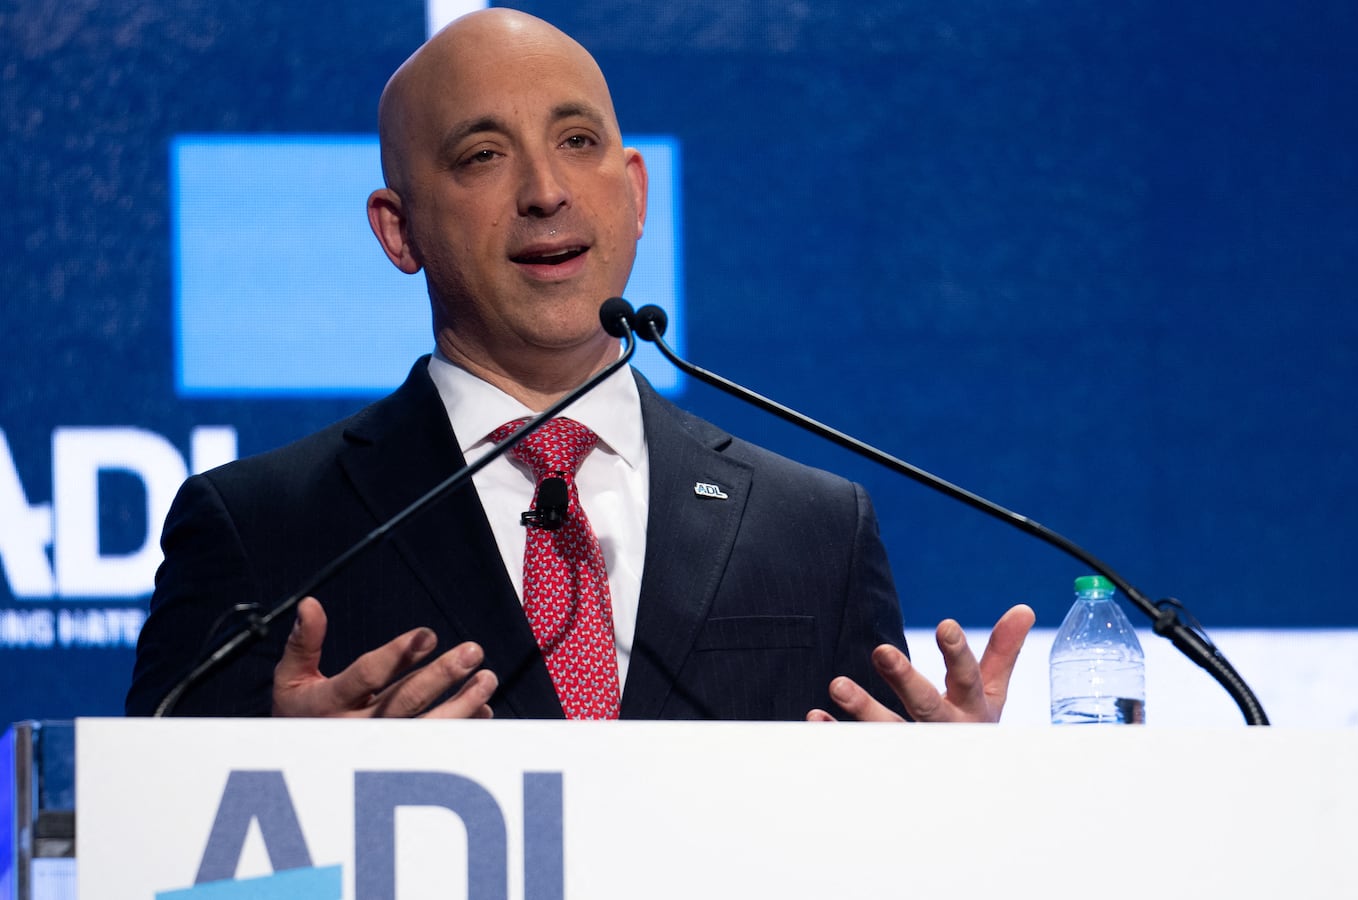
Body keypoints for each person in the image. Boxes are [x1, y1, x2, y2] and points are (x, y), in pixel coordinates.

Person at [125, 8, 1033, 723]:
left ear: (634, 194)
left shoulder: (814, 531)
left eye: (577, 141)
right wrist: (265, 774)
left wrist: (952, 793)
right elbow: (146, 847)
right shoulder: (263, 529)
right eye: (483, 155)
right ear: (398, 230)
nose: (545, 190)